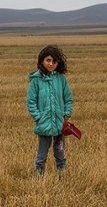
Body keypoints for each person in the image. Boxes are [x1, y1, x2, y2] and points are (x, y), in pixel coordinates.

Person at [26, 45, 74, 177]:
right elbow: (31, 102)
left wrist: (66, 114)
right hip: (44, 124)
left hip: (60, 124)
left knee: (60, 153)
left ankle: (62, 178)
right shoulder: (36, 81)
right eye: (48, 60)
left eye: (54, 61)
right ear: (42, 61)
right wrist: (39, 117)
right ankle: (39, 180)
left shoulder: (61, 79)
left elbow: (68, 99)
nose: (51, 64)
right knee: (41, 155)